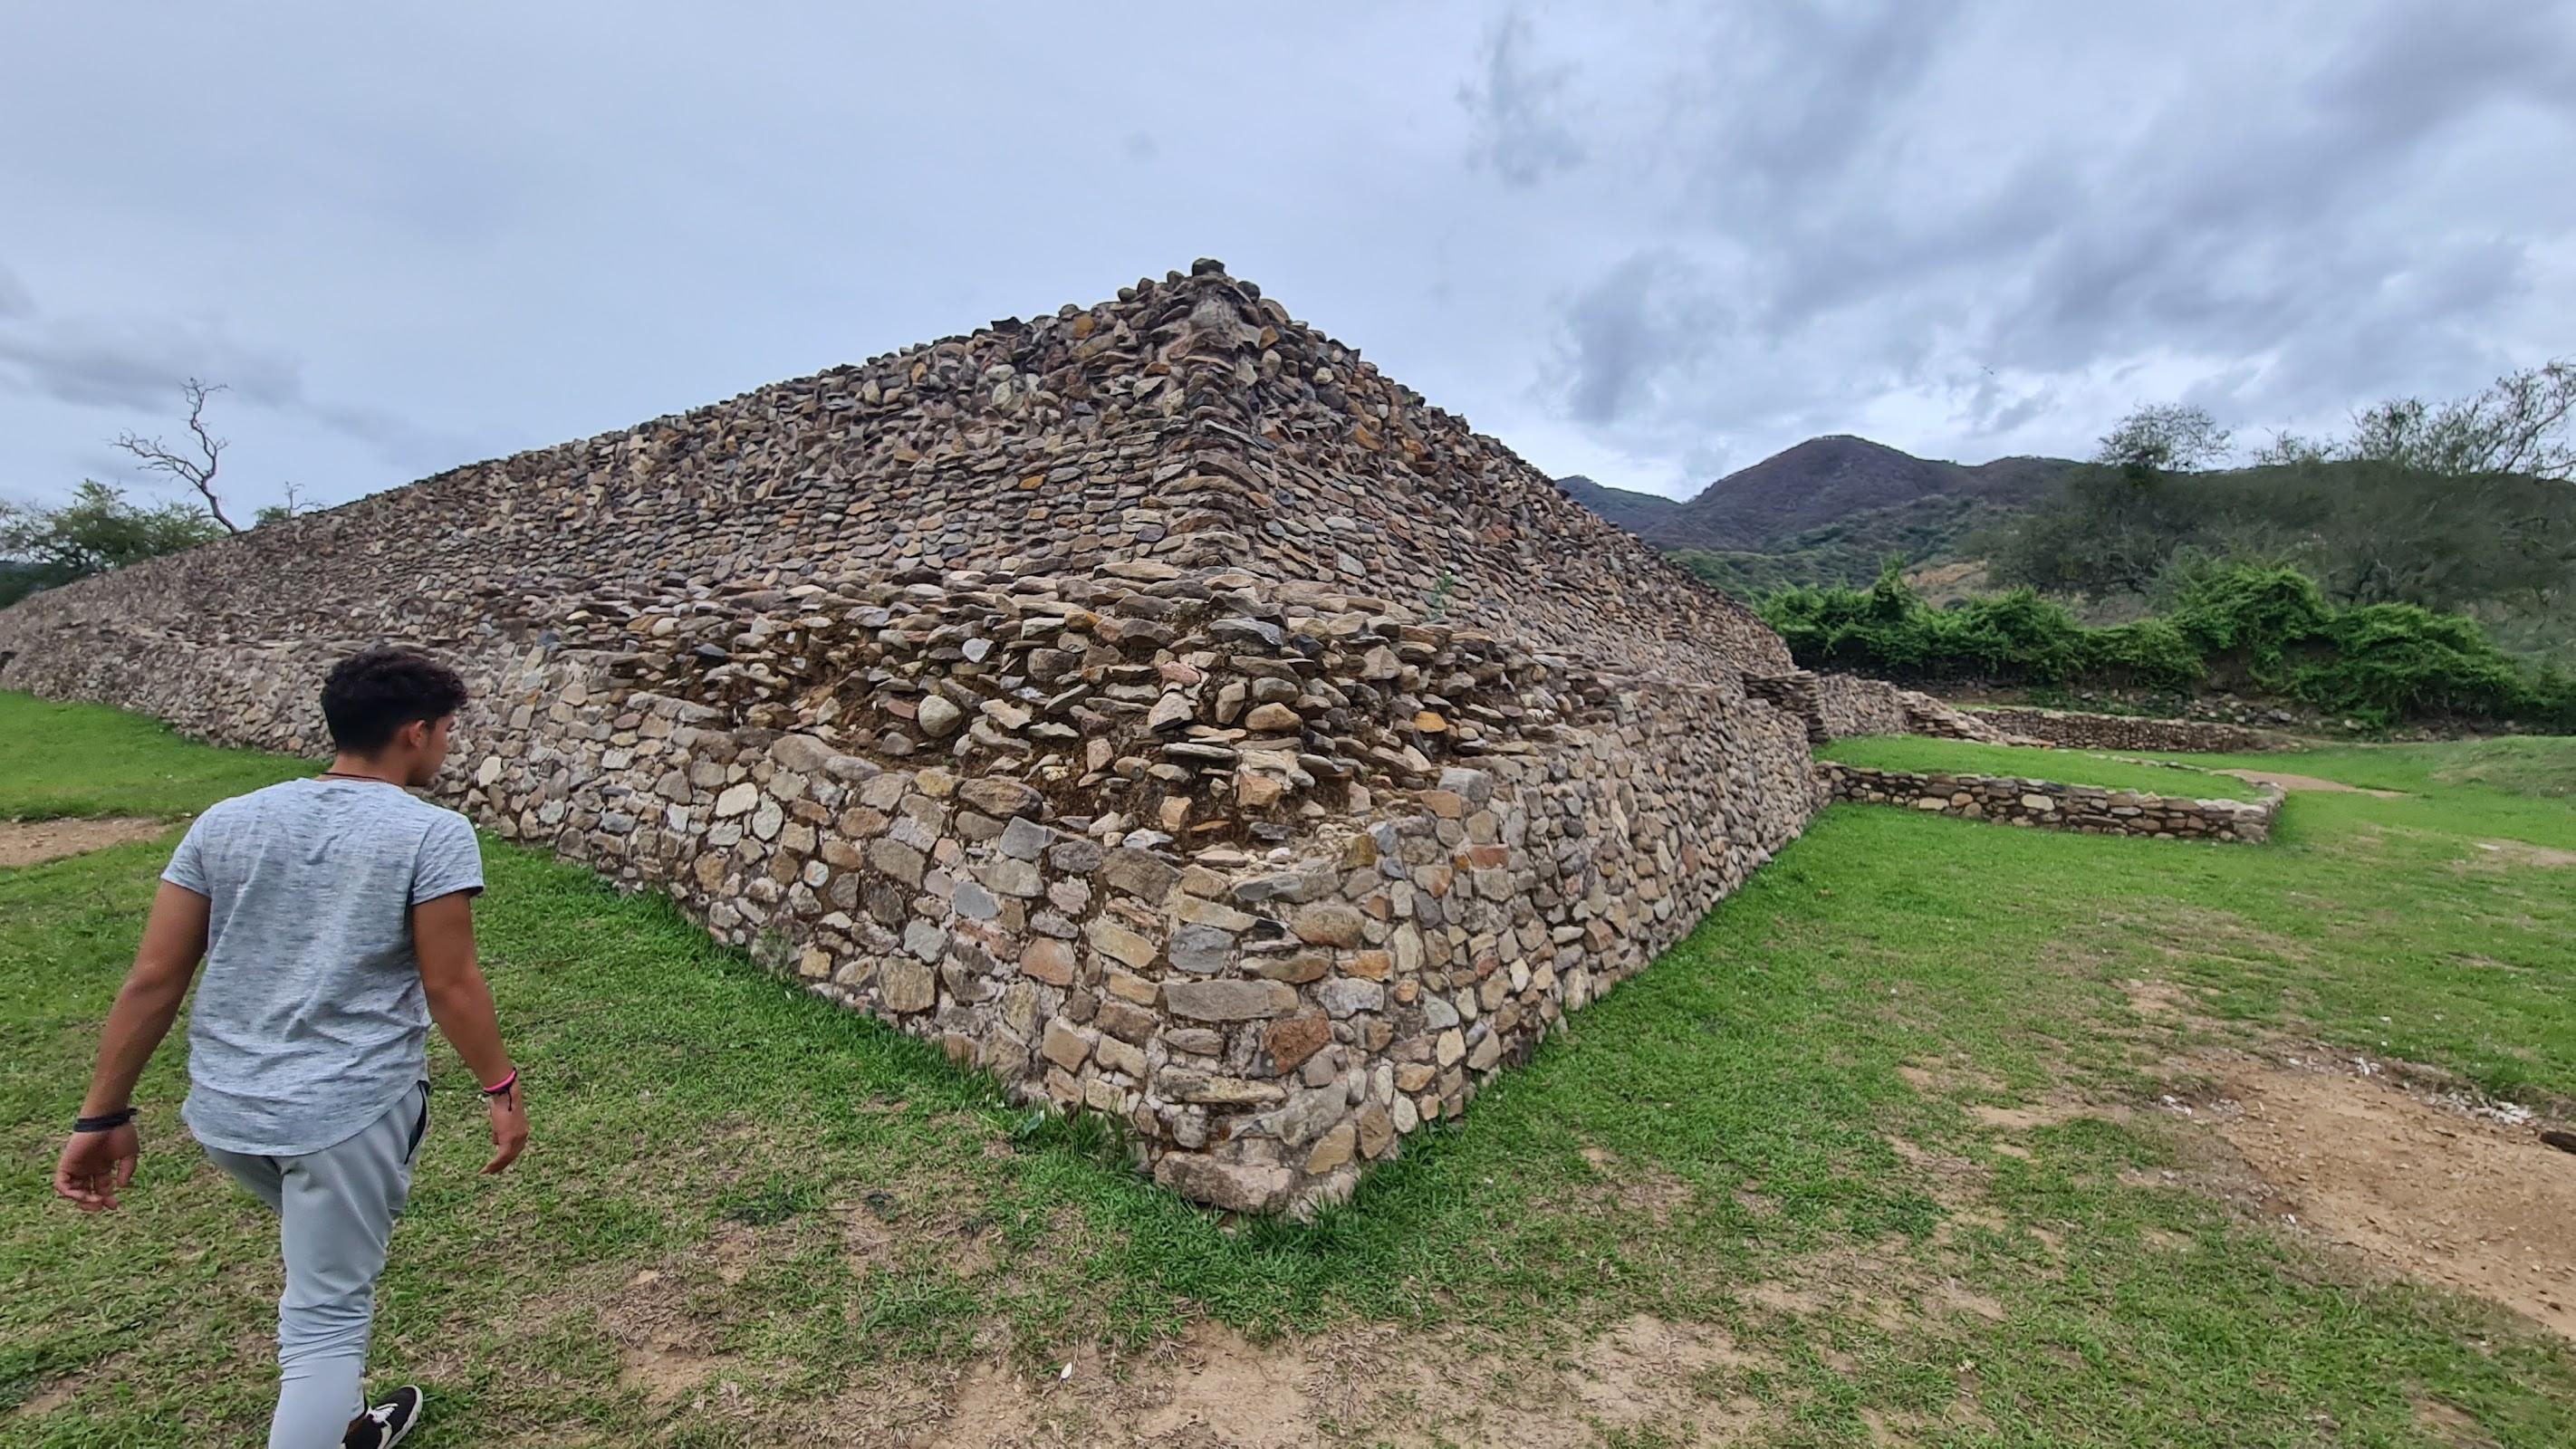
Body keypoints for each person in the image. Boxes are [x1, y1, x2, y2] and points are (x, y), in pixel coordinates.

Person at [53, 646, 529, 1449]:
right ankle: (321, 1419)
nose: (448, 746)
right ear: (415, 733)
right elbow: (451, 985)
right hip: (345, 1114)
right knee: (326, 1320)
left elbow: (154, 980)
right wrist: (501, 1087)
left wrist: (102, 1114)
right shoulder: (431, 833)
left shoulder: (228, 820)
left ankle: (344, 1420)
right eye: (447, 731)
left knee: (324, 1263)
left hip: (228, 1116)